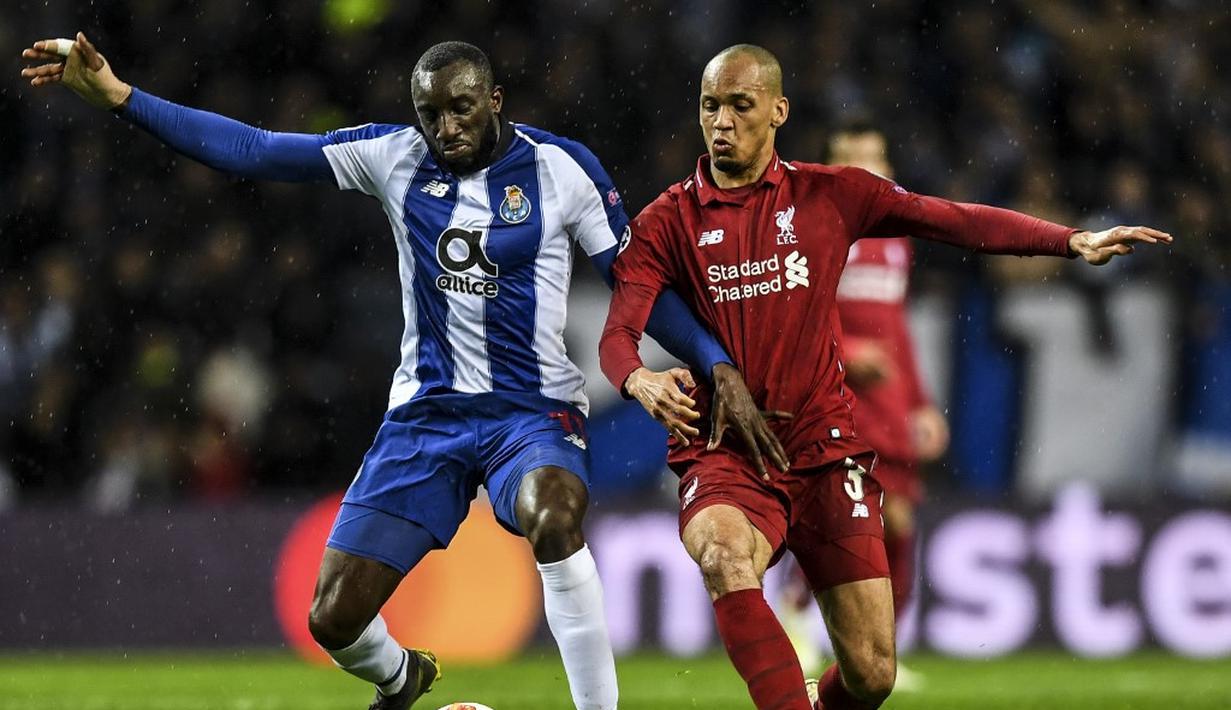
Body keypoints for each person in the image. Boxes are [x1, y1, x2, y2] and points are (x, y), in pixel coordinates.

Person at [19, 33, 772, 710]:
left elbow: (635, 283)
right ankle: (402, 679)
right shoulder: (393, 156)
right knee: (332, 618)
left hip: (531, 415)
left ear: (495, 101)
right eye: (431, 114)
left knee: (554, 513)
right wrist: (119, 97)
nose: (446, 128)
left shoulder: (561, 169)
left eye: (462, 109)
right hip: (426, 419)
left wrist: (715, 362)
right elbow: (251, 149)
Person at [598, 44, 1171, 710]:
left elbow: (953, 221)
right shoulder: (666, 220)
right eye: (709, 106)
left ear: (777, 111)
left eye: (739, 105)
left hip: (821, 445)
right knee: (723, 556)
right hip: (726, 448)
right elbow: (618, 333)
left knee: (871, 674)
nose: (721, 121)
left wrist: (1067, 240)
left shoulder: (831, 194)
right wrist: (636, 380)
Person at [777, 122, 949, 687]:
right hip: (835, 396)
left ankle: (878, 651)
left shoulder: (897, 239)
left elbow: (895, 328)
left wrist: (920, 403)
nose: (863, 170)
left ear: (889, 169)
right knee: (853, 517)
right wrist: (848, 353)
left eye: (872, 158)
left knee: (897, 524)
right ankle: (804, 618)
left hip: (889, 402)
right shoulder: (820, 229)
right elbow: (797, 317)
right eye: (849, 159)